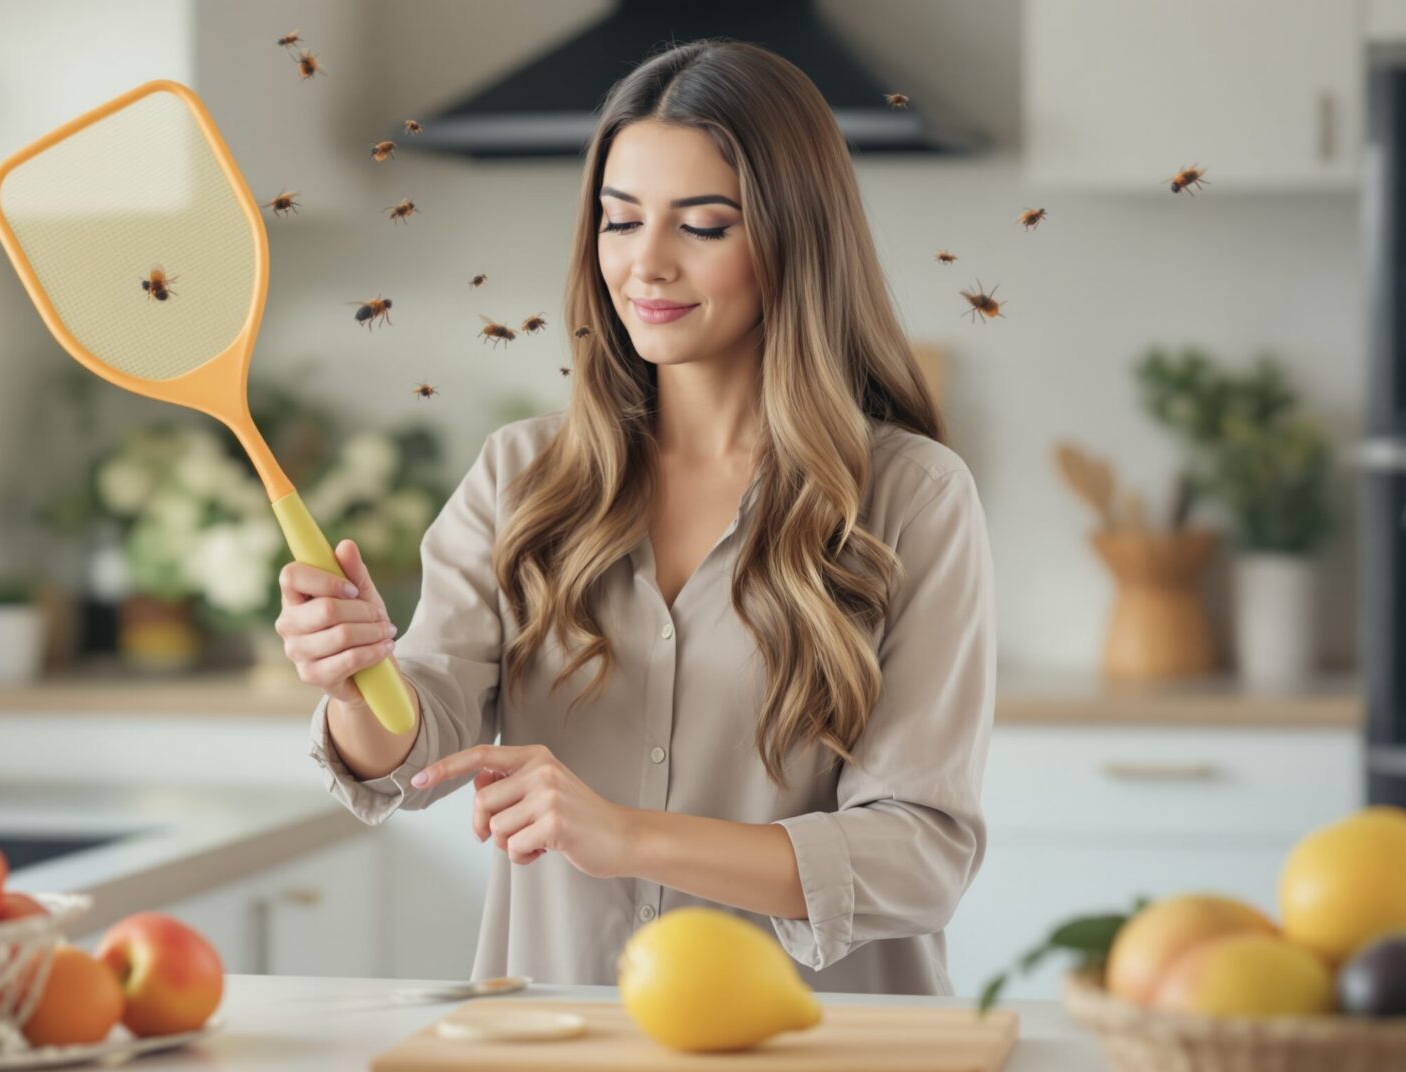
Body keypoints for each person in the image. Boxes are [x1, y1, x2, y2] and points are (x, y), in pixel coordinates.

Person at [274, 38, 996, 996]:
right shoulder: (520, 476)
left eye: (702, 226)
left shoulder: (913, 498)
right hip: (563, 1034)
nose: (644, 264)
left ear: (795, 237)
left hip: (816, 1045)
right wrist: (356, 678)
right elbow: (415, 752)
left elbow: (920, 854)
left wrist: (628, 836)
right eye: (620, 222)